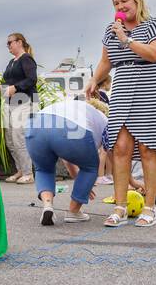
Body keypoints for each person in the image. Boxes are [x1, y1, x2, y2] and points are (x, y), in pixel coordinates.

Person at [85, 0, 156, 228]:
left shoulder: (154, 24)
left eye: (125, 1)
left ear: (136, 0)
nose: (121, 6)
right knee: (120, 146)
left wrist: (126, 39)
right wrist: (94, 79)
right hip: (123, 87)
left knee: (148, 147)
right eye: (116, 3)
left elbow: (155, 54)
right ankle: (120, 207)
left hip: (149, 87)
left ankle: (149, 208)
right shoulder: (110, 29)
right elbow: (106, 61)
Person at [27, 97, 109, 226]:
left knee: (43, 169)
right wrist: (84, 185)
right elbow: (114, 155)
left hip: (36, 124)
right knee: (91, 167)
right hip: (72, 128)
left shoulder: (69, 105)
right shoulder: (103, 118)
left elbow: (67, 158)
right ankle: (74, 212)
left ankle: (48, 206)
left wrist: (80, 180)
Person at [1, 32, 37, 184]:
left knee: (18, 138)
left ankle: (28, 173)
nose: (8, 45)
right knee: (10, 140)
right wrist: (1, 88)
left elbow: (31, 79)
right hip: (10, 103)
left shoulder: (26, 59)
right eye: (7, 43)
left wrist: (15, 87)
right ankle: (20, 169)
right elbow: (8, 81)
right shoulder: (11, 62)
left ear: (19, 42)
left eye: (10, 42)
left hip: (24, 102)